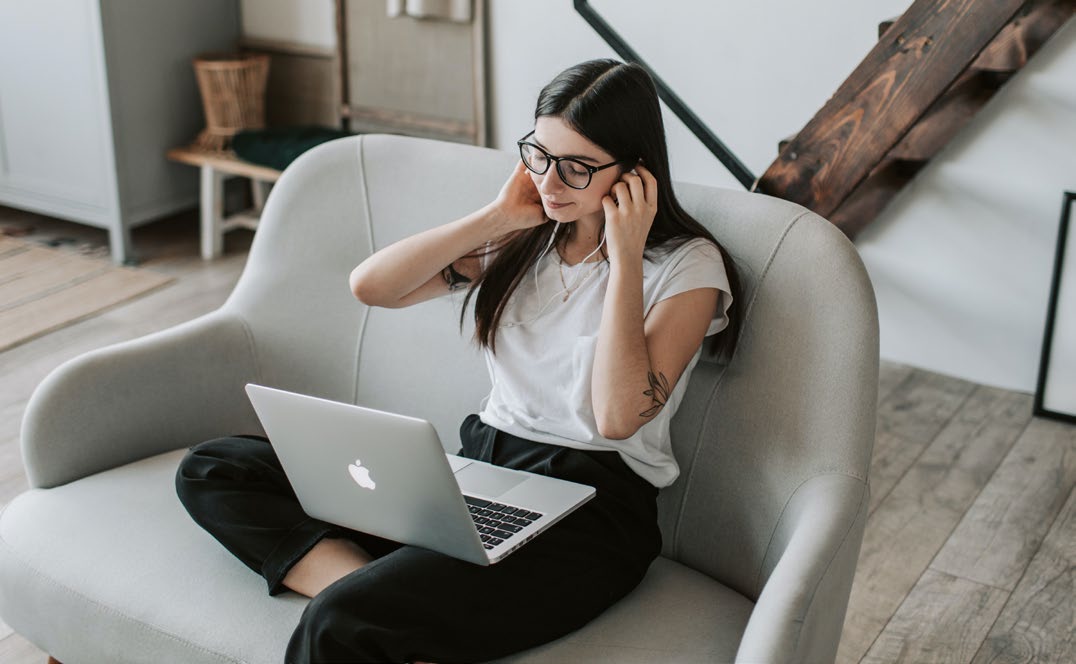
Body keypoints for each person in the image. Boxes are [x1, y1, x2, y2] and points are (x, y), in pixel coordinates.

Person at [176, 58, 741, 664]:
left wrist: (626, 257)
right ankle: (378, 594)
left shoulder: (688, 266)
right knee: (215, 468)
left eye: (577, 169)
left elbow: (616, 417)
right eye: (539, 155)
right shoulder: (529, 239)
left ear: (635, 174)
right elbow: (372, 286)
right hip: (480, 474)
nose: (550, 183)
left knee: (338, 625)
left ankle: (377, 603)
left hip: (591, 517)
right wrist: (498, 216)